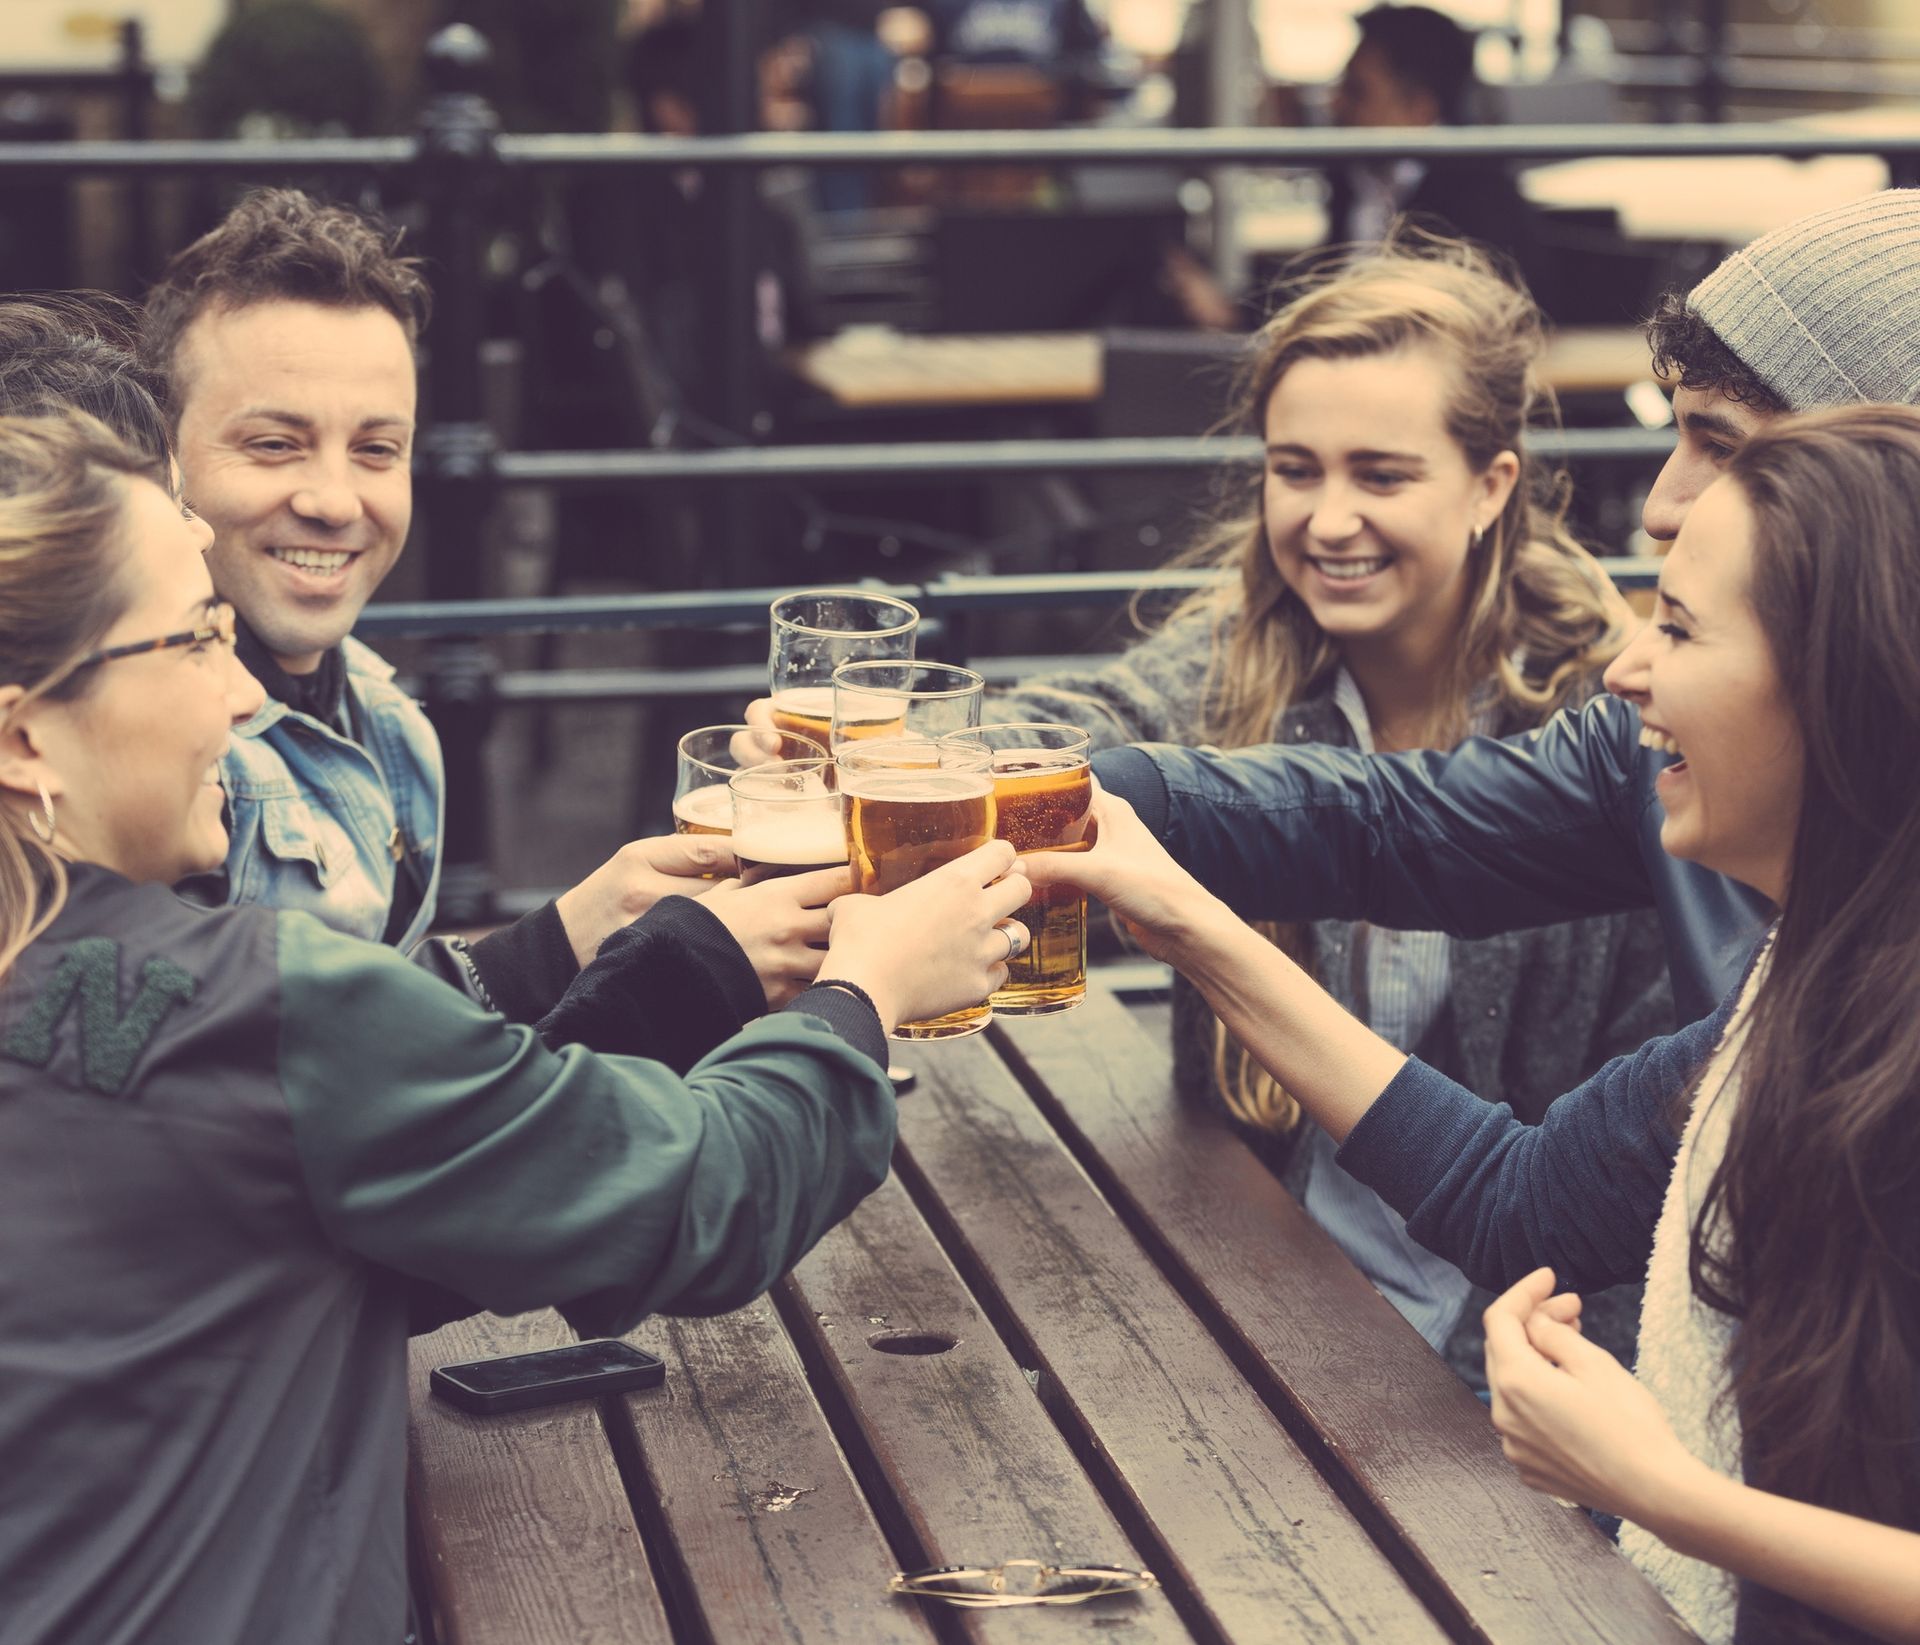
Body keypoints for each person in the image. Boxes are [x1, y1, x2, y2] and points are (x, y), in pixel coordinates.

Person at [0, 406, 1032, 1645]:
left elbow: (356, 1225)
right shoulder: (262, 1002)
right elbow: (703, 1197)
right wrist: (864, 995)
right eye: (193, 639)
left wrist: (669, 972)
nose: (237, 694)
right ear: (24, 736)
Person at [1027, 403, 1920, 1645]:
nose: (1627, 672)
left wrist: (1663, 1491)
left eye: (1678, 628)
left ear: (1844, 682)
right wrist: (1181, 917)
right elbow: (1520, 1195)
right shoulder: (1809, 994)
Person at [898, 242, 1674, 1375]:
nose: (1327, 518)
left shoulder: (1616, 732)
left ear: (1491, 486)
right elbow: (1086, 719)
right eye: (1295, 469)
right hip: (1264, 1297)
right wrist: (906, 755)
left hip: (1514, 1359)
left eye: (1382, 473)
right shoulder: (1246, 649)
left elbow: (1633, 1207)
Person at [1093, 188, 1920, 1026]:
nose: (1659, 508)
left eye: (1724, 447)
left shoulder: (1648, 711)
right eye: (1295, 468)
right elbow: (1382, 827)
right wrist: (1041, 785)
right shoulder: (1649, 744)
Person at [143, 186, 822, 1027]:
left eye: (376, 449)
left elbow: (421, 1085)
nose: (333, 499)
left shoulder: (392, 724)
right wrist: (561, 946)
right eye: (275, 444)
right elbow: (231, 1066)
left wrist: (624, 931)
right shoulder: (144, 753)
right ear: (161, 459)